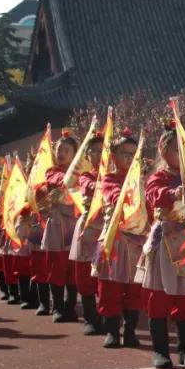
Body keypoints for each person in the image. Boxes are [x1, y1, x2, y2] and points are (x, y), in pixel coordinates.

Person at [137, 124, 185, 369]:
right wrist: (174, 193)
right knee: (159, 297)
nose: (180, 155)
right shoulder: (158, 177)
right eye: (175, 150)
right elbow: (155, 195)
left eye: (184, 150)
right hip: (164, 242)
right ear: (163, 151)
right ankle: (160, 351)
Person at [91, 128, 146, 349]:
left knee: (134, 288)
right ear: (113, 156)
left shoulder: (142, 180)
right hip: (113, 240)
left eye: (134, 154)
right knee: (109, 289)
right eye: (124, 153)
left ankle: (130, 331)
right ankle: (112, 331)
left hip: (137, 241)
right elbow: (115, 197)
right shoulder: (109, 179)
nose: (129, 158)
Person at [38, 130, 81, 323]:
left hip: (75, 223)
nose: (61, 153)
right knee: (57, 266)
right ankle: (57, 307)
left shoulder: (83, 174)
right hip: (57, 225)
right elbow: (58, 181)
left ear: (75, 153)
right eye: (59, 150)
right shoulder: (52, 172)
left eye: (66, 150)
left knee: (73, 268)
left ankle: (70, 306)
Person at [69, 131, 106, 335]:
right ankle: (90, 318)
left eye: (104, 150)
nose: (100, 155)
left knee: (108, 274)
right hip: (90, 228)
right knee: (85, 274)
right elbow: (89, 186)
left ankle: (107, 315)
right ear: (88, 156)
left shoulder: (119, 176)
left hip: (110, 227)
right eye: (95, 151)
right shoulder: (85, 176)